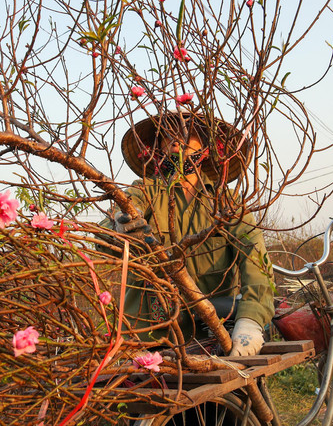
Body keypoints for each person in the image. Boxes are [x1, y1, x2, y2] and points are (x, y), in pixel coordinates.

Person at [103, 112, 274, 356]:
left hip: (210, 337)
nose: (177, 139)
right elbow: (109, 228)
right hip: (147, 339)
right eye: (168, 134)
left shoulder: (227, 203)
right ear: (159, 147)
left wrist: (250, 320)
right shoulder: (144, 192)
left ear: (206, 147)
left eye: (188, 133)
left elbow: (256, 260)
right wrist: (119, 226)